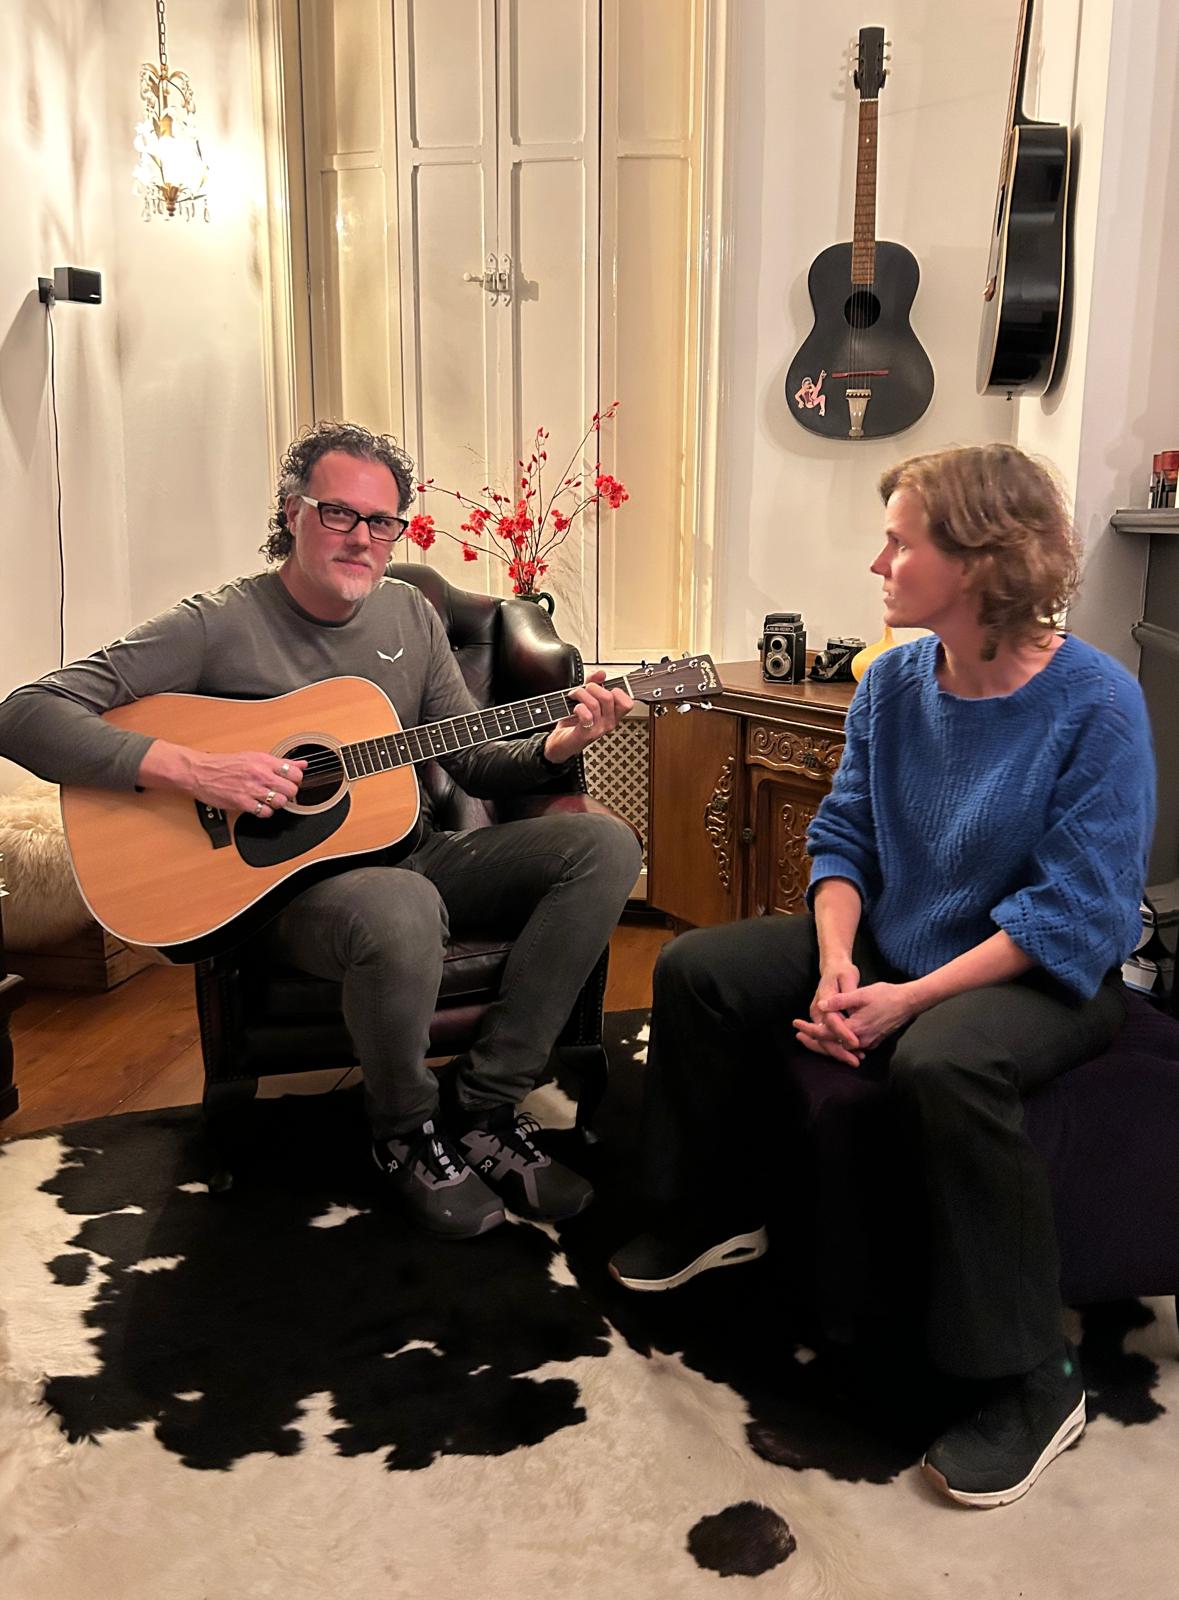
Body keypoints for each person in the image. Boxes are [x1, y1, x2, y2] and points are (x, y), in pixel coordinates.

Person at [609, 443, 1156, 1509]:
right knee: (697, 969)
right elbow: (845, 836)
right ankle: (712, 1207)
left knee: (942, 1065)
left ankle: (1034, 1377)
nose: (878, 563)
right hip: (899, 940)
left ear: (981, 559)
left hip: (1048, 968)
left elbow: (1073, 909)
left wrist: (904, 1001)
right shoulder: (895, 679)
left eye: (900, 543)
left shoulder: (1100, 702)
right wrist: (834, 965)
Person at [0, 421, 641, 1239]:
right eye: (339, 514)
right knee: (397, 904)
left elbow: (477, 763)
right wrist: (195, 770)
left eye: (382, 522)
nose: (362, 538)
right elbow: (24, 714)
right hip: (286, 898)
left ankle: (483, 1106)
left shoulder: (409, 617)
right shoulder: (217, 623)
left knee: (605, 845)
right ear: (293, 514)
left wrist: (560, 743)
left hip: (407, 852)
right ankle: (404, 1132)